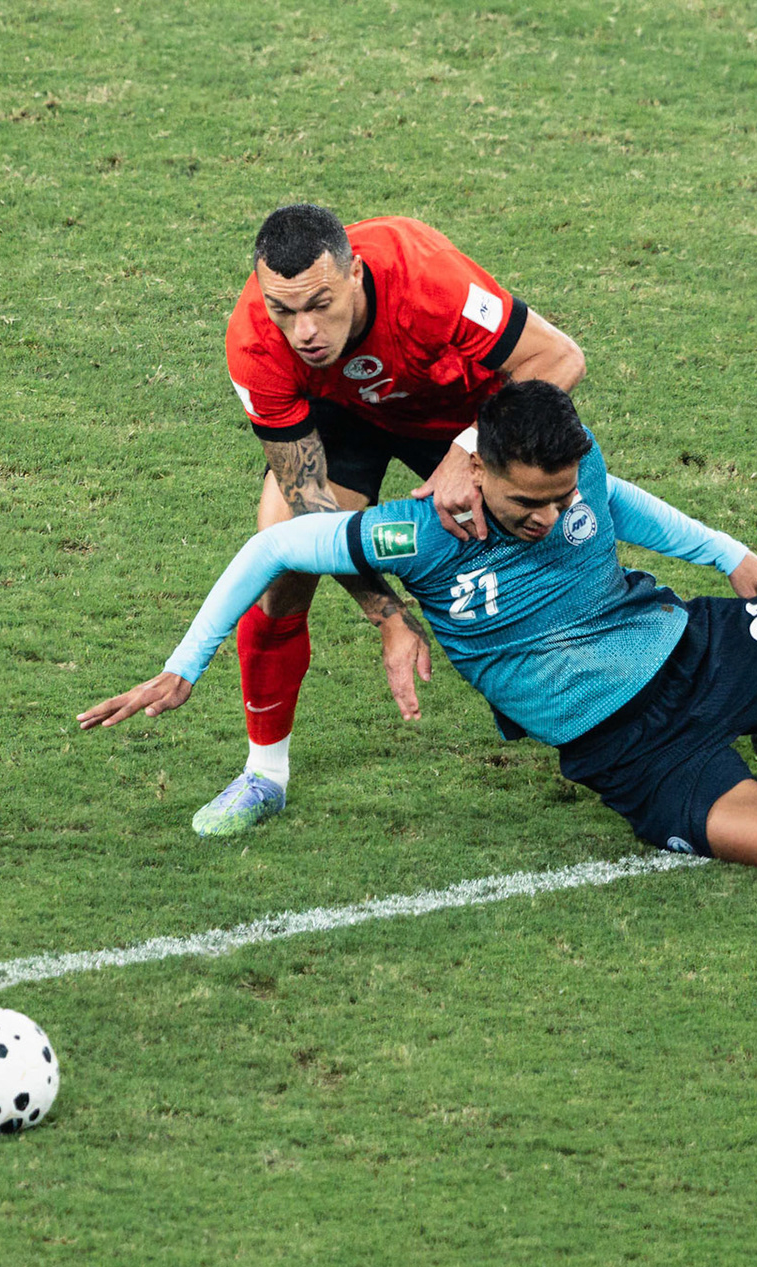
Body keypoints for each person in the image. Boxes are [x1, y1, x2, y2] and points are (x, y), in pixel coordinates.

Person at [81, 382, 757, 873]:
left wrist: (726, 552)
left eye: (562, 497)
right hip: (631, 750)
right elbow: (274, 550)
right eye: (530, 503)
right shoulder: (415, 531)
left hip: (696, 647)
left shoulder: (568, 465)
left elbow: (614, 496)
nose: (554, 518)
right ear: (476, 473)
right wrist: (184, 666)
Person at [202, 203, 588, 837]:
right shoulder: (254, 341)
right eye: (284, 311)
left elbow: (559, 358)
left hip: (466, 414)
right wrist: (387, 615)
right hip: (348, 417)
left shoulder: (426, 279)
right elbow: (311, 513)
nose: (304, 331)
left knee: (559, 548)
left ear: (355, 273)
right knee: (283, 561)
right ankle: (264, 774)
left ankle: (677, 691)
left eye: (320, 304)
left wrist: (467, 453)